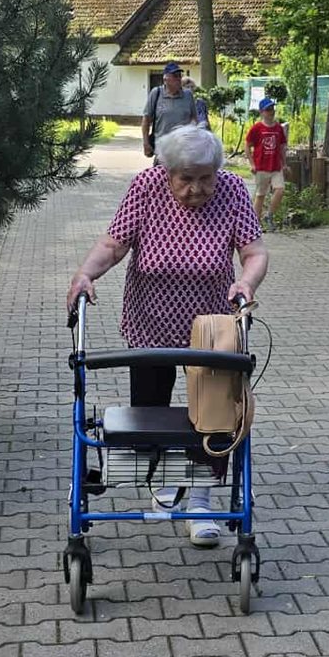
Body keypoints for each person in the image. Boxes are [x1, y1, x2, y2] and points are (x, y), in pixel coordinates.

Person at [66, 126, 266, 547]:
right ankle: (165, 475)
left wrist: (246, 282)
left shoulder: (233, 190)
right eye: (186, 178)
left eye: (206, 177)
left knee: (213, 414)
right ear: (167, 171)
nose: (197, 188)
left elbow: (254, 252)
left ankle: (201, 504)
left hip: (210, 327)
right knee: (151, 410)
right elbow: (114, 245)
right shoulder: (145, 187)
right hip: (151, 322)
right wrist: (85, 274)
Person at [141, 61, 210, 160]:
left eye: (179, 76)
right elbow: (146, 120)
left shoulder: (188, 95)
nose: (178, 79)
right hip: (162, 150)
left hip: (184, 150)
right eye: (175, 76)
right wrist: (146, 143)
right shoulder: (156, 93)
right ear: (165, 79)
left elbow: (194, 119)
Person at [244, 96, 288, 230]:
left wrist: (284, 163)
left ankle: (269, 215)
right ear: (261, 112)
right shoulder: (257, 128)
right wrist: (252, 164)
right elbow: (247, 146)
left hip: (275, 166)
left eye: (272, 109)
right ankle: (254, 223)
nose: (271, 112)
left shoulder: (278, 128)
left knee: (280, 190)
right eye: (268, 110)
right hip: (261, 167)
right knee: (260, 195)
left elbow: (282, 147)